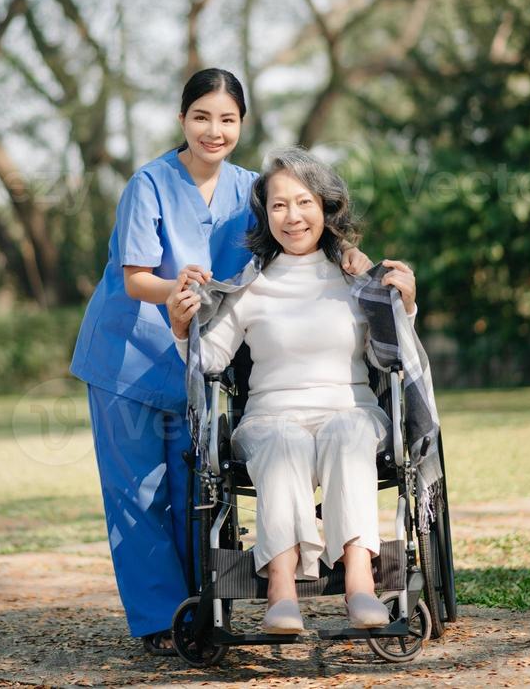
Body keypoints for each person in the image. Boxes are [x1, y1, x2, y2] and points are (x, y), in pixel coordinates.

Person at [70, 70, 372, 654]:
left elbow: (297, 235)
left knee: (194, 491)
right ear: (183, 119)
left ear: (242, 124)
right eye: (202, 117)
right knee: (139, 496)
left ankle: (201, 612)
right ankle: (163, 623)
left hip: (205, 365)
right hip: (130, 358)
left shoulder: (250, 190)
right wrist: (179, 293)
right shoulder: (149, 184)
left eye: (227, 119)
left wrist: (349, 252)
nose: (214, 130)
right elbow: (135, 279)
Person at [167, 147, 418, 634]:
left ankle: (360, 584)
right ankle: (281, 591)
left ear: (325, 207)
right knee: (282, 441)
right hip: (269, 419)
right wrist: (182, 328)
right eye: (278, 205)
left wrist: (404, 305)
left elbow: (392, 356)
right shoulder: (248, 287)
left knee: (347, 432)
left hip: (352, 411)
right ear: (266, 215)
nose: (292, 216)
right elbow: (210, 361)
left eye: (303, 202)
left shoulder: (355, 278)